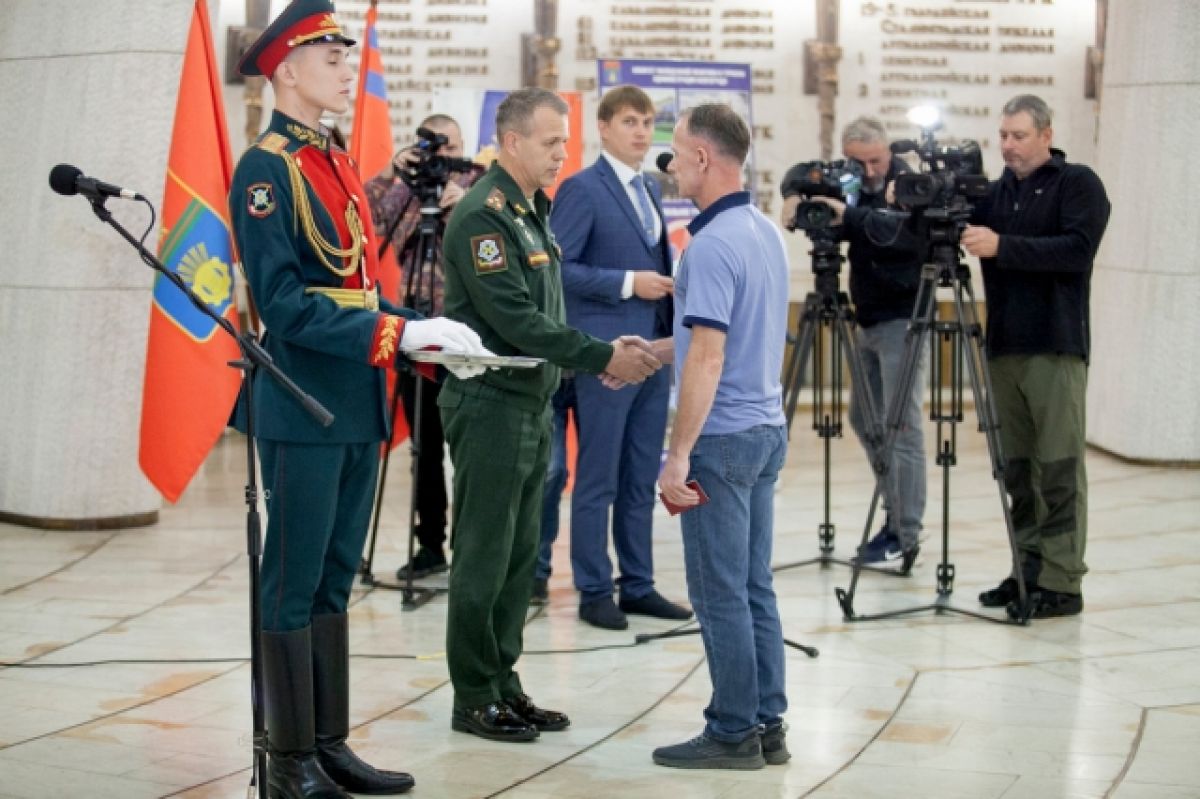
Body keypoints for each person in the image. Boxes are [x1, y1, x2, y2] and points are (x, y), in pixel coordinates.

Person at [229, 2, 490, 796]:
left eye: (348, 58)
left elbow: (355, 284)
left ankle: (327, 744)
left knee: (337, 573)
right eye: (332, 59)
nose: (348, 70)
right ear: (286, 71)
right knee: (292, 576)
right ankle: (286, 760)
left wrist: (423, 325)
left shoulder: (334, 158)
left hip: (355, 397)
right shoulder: (266, 168)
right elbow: (283, 303)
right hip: (302, 398)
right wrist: (393, 339)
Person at [439, 87, 662, 742]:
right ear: (512, 143)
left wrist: (598, 350)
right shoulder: (484, 216)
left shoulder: (533, 211)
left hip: (528, 401)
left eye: (565, 141)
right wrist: (602, 356)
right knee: (483, 553)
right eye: (549, 142)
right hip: (489, 404)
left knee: (518, 556)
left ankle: (505, 682)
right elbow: (516, 319)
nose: (562, 153)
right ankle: (473, 694)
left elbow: (551, 310)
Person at [653, 104, 790, 770]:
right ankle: (768, 720)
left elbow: (708, 356)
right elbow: (722, 336)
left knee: (718, 591)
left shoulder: (707, 245)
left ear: (705, 158)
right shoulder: (762, 231)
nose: (670, 164)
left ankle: (732, 729)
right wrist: (655, 352)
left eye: (677, 152)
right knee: (754, 583)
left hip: (723, 438)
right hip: (765, 428)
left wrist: (678, 455)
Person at [543, 85, 690, 629]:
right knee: (598, 479)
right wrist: (630, 282)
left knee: (637, 480)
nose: (640, 131)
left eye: (647, 122)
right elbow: (559, 269)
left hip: (653, 351)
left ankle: (639, 584)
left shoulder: (650, 187)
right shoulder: (582, 188)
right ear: (602, 128)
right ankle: (593, 589)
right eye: (629, 120)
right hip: (607, 355)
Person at [962, 94, 1110, 619]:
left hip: (1055, 347)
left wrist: (1004, 246)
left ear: (1046, 134)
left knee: (1059, 468)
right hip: (1003, 347)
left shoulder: (1078, 185)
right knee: (1018, 469)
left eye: (1018, 136)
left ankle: (1063, 580)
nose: (1007, 146)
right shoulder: (997, 192)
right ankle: (1026, 568)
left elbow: (1076, 250)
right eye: (1002, 135)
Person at [780, 116, 927, 567]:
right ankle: (895, 515)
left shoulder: (911, 184)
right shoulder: (849, 179)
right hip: (863, 317)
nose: (867, 170)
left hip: (903, 318)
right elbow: (803, 171)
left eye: (875, 160)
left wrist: (851, 214)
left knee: (900, 425)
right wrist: (791, 195)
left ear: (889, 152)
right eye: (857, 161)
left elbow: (900, 236)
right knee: (866, 420)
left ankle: (906, 532)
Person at [364, 115, 485, 580]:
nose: (443, 160)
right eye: (434, 149)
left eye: (450, 147)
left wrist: (465, 206)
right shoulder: (406, 190)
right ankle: (430, 545)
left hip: (471, 339)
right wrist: (397, 170)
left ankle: (471, 551)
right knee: (426, 449)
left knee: (471, 452)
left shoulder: (480, 185)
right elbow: (372, 219)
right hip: (420, 336)